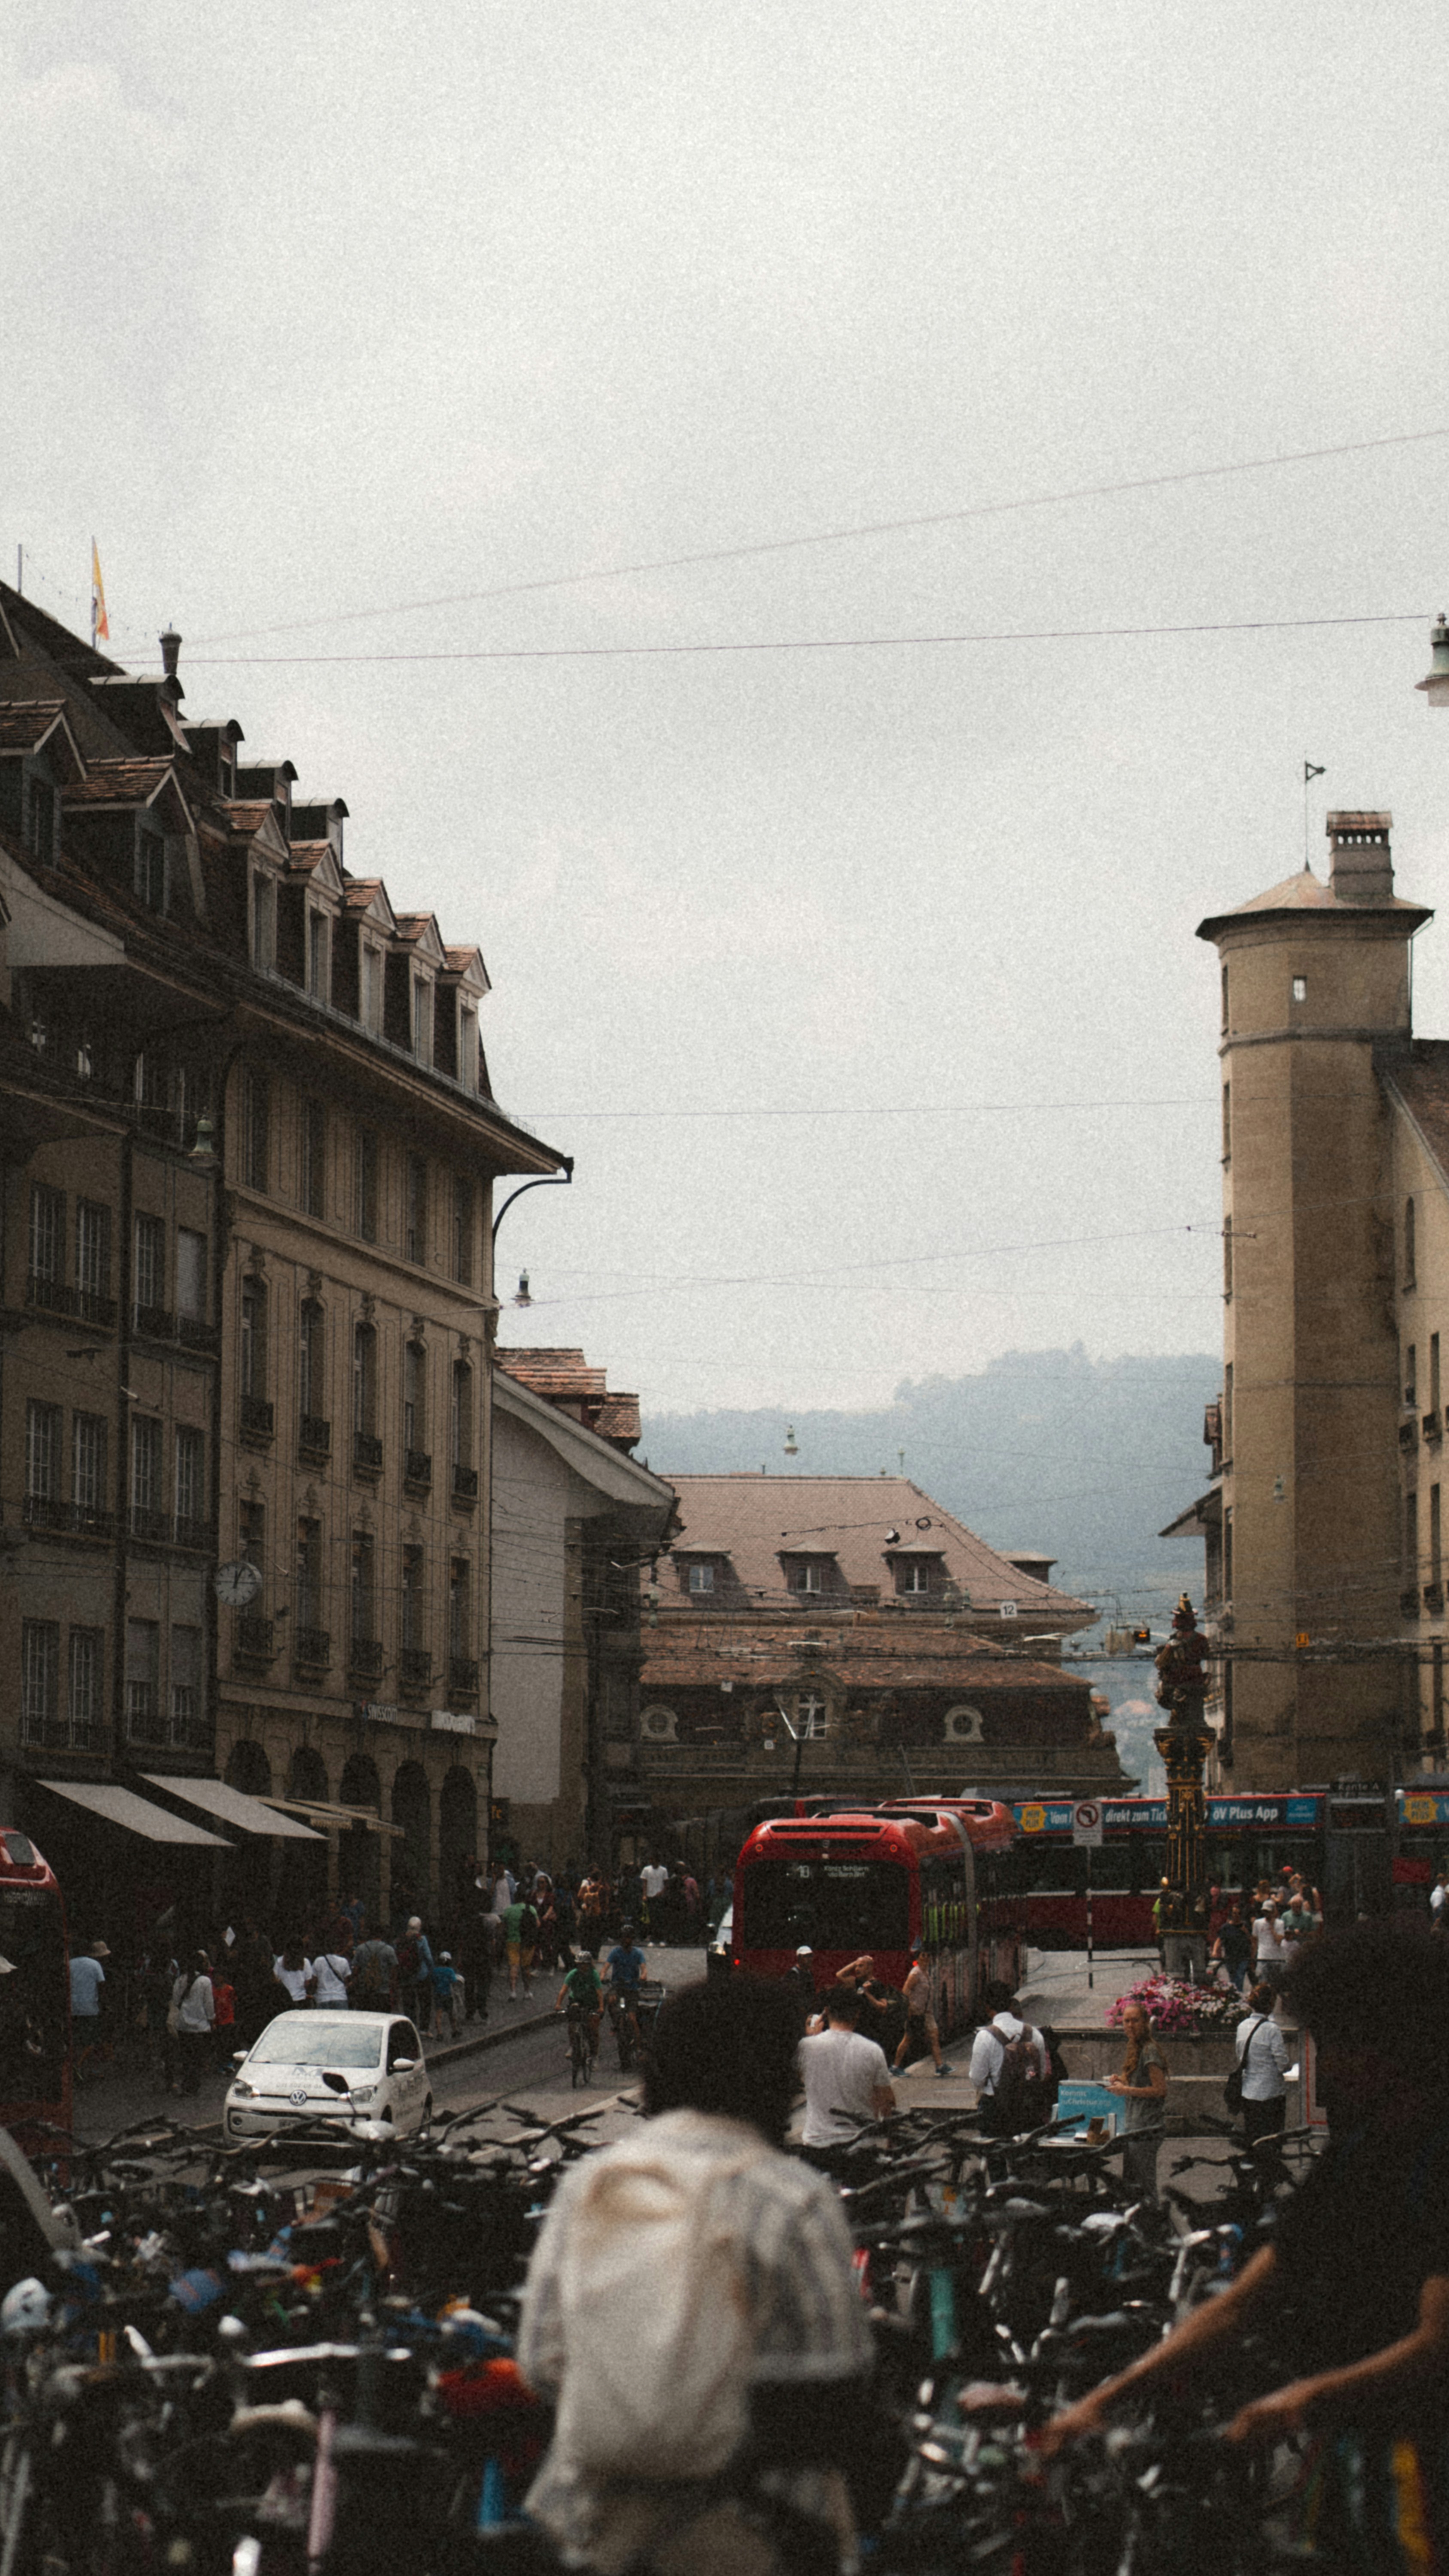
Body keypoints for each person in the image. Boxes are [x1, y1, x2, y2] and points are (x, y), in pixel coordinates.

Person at [1040, 1927, 1449, 2573]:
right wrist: (1105, 2398)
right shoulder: (1358, 2156)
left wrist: (1301, 2398)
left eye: (1331, 2040)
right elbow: (1240, 2301)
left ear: (1384, 2044)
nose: (1323, 2061)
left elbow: (1436, 2339)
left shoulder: (1434, 2160)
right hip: (1347, 2459)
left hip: (1421, 2470)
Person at [518, 1974, 874, 2576]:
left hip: (594, 2526)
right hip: (758, 2536)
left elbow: (540, 2360)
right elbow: (835, 2380)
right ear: (768, 2075)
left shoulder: (590, 2185)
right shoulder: (792, 2198)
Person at [799, 1984, 896, 2147]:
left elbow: (794, 2081)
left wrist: (812, 2038)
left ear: (827, 2013)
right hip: (861, 2146)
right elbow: (887, 2101)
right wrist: (891, 2141)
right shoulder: (873, 2050)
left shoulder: (806, 2047)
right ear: (857, 2015)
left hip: (817, 2144)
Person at [967, 1983, 1051, 2137]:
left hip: (996, 2110)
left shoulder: (985, 2037)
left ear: (987, 2006)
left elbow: (977, 2079)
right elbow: (1043, 2074)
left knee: (995, 2156)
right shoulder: (1034, 2034)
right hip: (1028, 2108)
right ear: (1010, 2003)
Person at [1107, 2000, 1167, 2202]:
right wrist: (1120, 2079)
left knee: (1145, 2184)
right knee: (1132, 2183)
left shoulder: (1150, 2050)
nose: (1130, 2026)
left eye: (1135, 2021)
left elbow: (1160, 2089)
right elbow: (1137, 2080)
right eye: (1126, 2021)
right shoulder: (1135, 2047)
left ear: (1145, 2023)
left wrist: (1126, 2090)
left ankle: (1160, 2227)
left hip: (1147, 2127)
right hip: (1134, 2126)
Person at [1234, 1978, 1290, 2150]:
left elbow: (1240, 2056)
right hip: (1271, 2092)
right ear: (1271, 2004)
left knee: (1254, 2139)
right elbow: (1282, 2063)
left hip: (1249, 2091)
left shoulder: (1242, 2026)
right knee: (1272, 2139)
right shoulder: (1272, 2030)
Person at [893, 1941, 953, 2077]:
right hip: (916, 2012)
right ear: (918, 1958)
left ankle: (940, 2066)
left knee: (934, 2036)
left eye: (928, 1956)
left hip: (927, 2013)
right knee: (908, 2038)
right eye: (923, 1956)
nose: (925, 1958)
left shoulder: (927, 1973)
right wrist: (910, 2008)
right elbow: (906, 1991)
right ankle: (895, 2066)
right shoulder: (915, 1974)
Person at [172, 1951, 216, 2094]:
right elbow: (209, 2003)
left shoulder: (180, 1980)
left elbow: (176, 2000)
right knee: (197, 2058)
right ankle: (193, 2086)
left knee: (186, 2058)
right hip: (200, 2026)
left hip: (183, 2024)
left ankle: (186, 2085)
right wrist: (211, 2019)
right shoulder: (205, 1981)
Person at [557, 1945, 604, 2071]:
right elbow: (564, 1990)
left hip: (591, 2001)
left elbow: (599, 1992)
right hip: (576, 2000)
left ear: (589, 1965)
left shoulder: (593, 1975)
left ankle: (594, 2057)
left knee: (593, 2029)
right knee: (573, 2021)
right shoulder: (573, 1974)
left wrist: (601, 2007)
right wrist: (558, 2004)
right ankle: (573, 2045)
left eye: (585, 1965)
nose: (582, 1967)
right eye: (580, 1964)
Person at [604, 1920, 648, 2054]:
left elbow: (643, 1968)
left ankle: (639, 2046)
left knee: (632, 2018)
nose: (626, 1940)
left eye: (628, 1937)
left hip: (632, 1988)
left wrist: (644, 1976)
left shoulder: (638, 1953)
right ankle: (615, 2023)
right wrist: (603, 1975)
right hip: (618, 1986)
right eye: (624, 1937)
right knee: (610, 2001)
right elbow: (606, 1966)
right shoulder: (616, 1952)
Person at [68, 1940, 106, 2081]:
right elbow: (102, 1985)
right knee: (92, 2040)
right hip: (90, 2007)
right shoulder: (95, 1965)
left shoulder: (69, 1964)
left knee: (76, 2039)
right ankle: (79, 2065)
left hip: (73, 2007)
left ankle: (80, 2066)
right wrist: (103, 2005)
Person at [397, 1915, 435, 2031]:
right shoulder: (422, 1940)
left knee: (409, 2003)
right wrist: (431, 1970)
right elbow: (428, 1957)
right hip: (422, 1975)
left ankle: (411, 2026)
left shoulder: (401, 1939)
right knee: (424, 2002)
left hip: (407, 1975)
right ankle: (424, 2028)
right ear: (420, 1927)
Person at [350, 1926, 398, 2010]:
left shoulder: (361, 1949)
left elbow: (356, 1970)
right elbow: (394, 1973)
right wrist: (393, 1992)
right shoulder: (389, 1950)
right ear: (382, 1935)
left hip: (365, 1992)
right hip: (383, 1992)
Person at [502, 1891, 539, 2001]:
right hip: (527, 1941)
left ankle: (513, 1991)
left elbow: (504, 1926)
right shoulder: (531, 1909)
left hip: (512, 1941)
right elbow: (538, 1924)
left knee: (514, 1965)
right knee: (526, 1967)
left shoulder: (509, 1910)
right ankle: (527, 1992)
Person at [1213, 1902, 1252, 1993]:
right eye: (1234, 1913)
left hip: (1243, 1956)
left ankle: (1239, 1994)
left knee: (1240, 1976)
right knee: (1233, 1978)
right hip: (1230, 1957)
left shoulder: (1245, 1926)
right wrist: (1215, 1951)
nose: (1236, 1916)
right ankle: (1234, 1995)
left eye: (1239, 1914)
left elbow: (1252, 1941)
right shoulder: (1226, 1927)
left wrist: (1246, 1932)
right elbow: (1219, 1940)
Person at [273, 1939, 315, 2009]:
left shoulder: (280, 1961)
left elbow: (275, 1979)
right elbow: (308, 1983)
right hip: (301, 1999)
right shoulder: (305, 1962)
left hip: (285, 2000)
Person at [311, 1943, 353, 2008]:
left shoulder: (318, 1961)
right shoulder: (344, 1961)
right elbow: (347, 1980)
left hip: (323, 1998)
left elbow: (314, 1981)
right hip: (340, 1997)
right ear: (337, 1948)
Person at [639, 1856, 669, 1943]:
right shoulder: (646, 1870)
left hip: (659, 1896)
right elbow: (645, 1883)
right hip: (650, 1896)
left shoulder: (663, 1870)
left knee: (660, 1917)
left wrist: (662, 1892)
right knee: (651, 1918)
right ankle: (652, 1937)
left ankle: (661, 1938)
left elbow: (666, 1884)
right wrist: (644, 1895)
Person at [432, 1949, 461, 2034]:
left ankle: (440, 2033)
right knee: (451, 2014)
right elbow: (454, 1981)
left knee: (439, 2015)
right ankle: (455, 2030)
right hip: (448, 1995)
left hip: (438, 1994)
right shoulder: (450, 1971)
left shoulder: (435, 1971)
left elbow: (433, 1981)